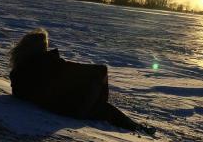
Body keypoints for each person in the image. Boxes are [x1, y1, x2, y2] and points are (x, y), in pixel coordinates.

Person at [9, 28, 155, 135]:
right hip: (70, 109)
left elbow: (20, 92)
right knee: (102, 100)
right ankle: (138, 128)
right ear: (42, 48)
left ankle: (136, 127)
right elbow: (100, 70)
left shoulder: (18, 71)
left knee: (98, 104)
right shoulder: (50, 63)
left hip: (55, 105)